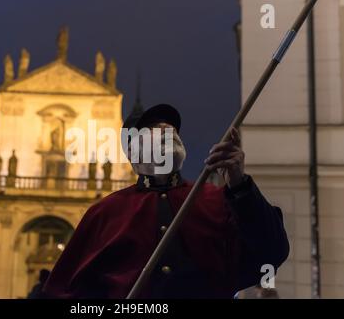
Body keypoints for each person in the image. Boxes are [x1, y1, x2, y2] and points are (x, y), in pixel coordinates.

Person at [43, 104, 290, 298]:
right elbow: (65, 291)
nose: (167, 129)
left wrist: (240, 185)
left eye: (171, 128)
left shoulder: (218, 199)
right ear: (133, 152)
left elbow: (270, 253)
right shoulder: (105, 212)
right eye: (153, 128)